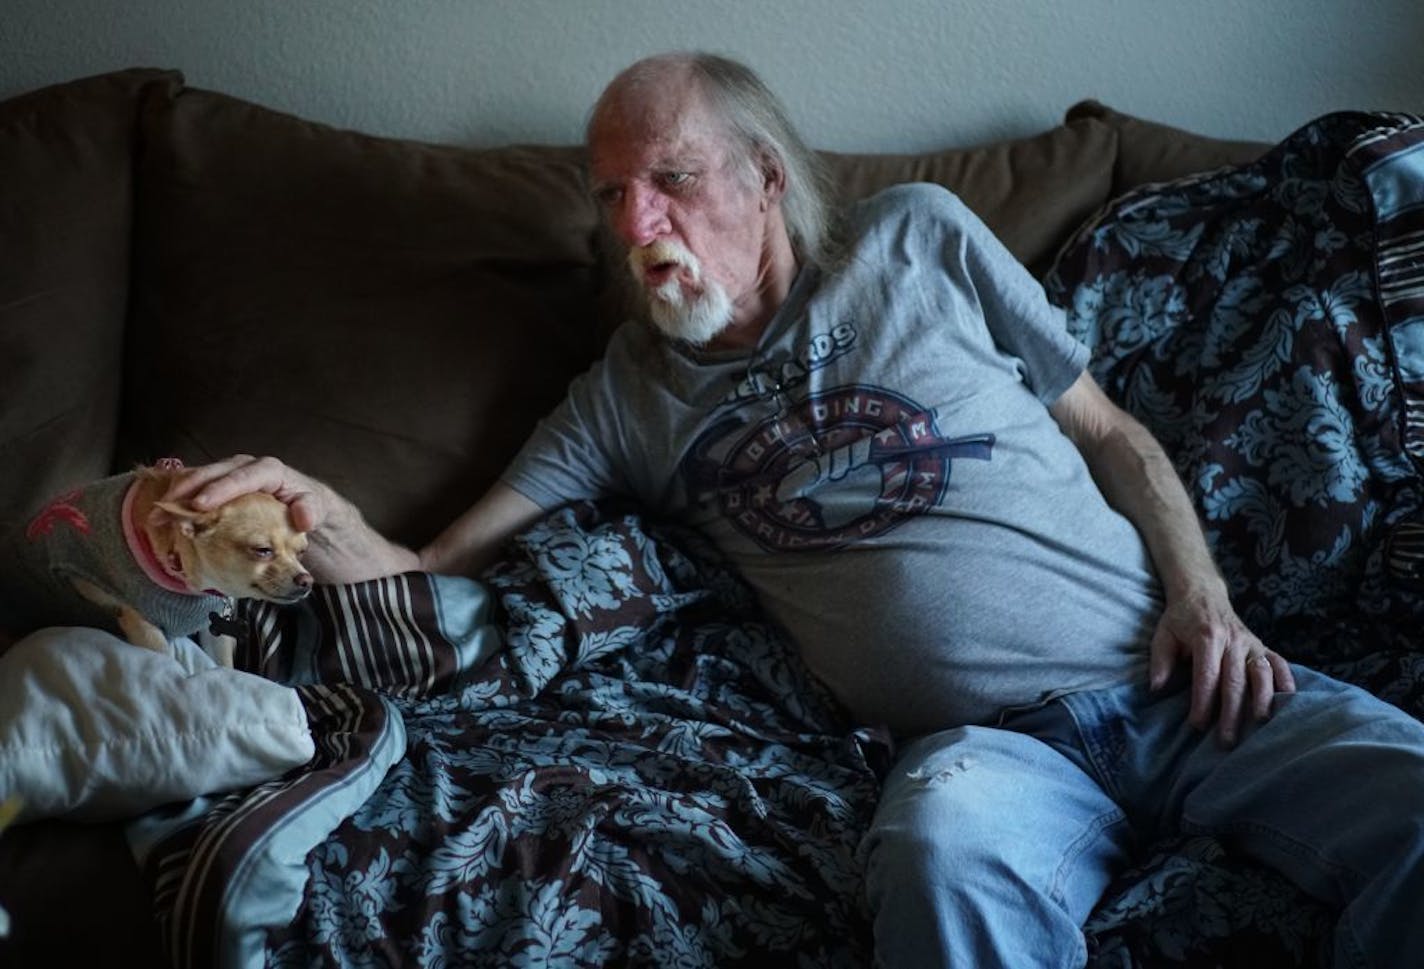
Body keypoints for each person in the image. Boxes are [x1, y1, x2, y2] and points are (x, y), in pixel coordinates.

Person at [171, 52, 1424, 968]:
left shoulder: (914, 238)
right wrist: (315, 510)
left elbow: (1108, 432)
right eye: (611, 198)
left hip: (1176, 680)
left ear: (765, 178)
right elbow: (436, 565)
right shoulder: (626, 397)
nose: (638, 227)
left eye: (669, 180)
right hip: (993, 755)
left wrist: (1206, 597)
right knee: (932, 854)